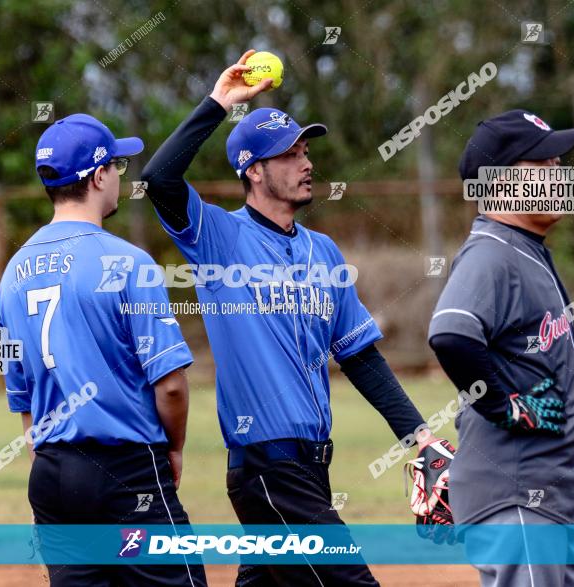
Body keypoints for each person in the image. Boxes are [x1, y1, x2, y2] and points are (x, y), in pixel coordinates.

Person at [141, 50, 453, 586]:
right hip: (269, 468)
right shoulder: (218, 239)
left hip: (311, 468)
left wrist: (419, 438)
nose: (306, 162)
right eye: (288, 154)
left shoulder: (324, 252)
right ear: (254, 171)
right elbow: (159, 178)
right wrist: (220, 102)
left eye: (305, 150)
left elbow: (358, 356)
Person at [0, 113, 207, 587]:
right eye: (116, 165)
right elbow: (170, 385)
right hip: (129, 470)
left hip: (52, 475)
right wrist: (172, 450)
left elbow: (24, 399)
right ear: (97, 176)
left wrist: (51, 463)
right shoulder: (128, 262)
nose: (120, 176)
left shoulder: (12, 274)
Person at [428, 109, 574, 586]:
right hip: (516, 498)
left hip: (542, 501)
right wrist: (506, 406)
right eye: (540, 167)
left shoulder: (524, 250)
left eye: (557, 165)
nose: (557, 176)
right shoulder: (492, 253)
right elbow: (451, 335)